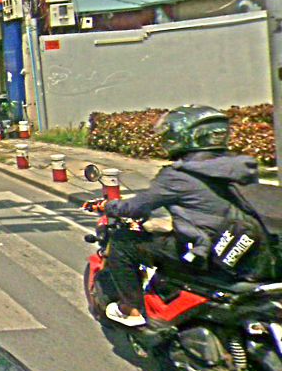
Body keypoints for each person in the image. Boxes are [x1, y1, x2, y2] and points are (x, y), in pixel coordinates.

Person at [94, 105, 261, 327]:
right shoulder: (240, 167)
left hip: (207, 250)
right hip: (245, 247)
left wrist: (108, 206)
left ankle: (131, 309)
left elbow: (136, 207)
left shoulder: (176, 176)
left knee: (123, 243)